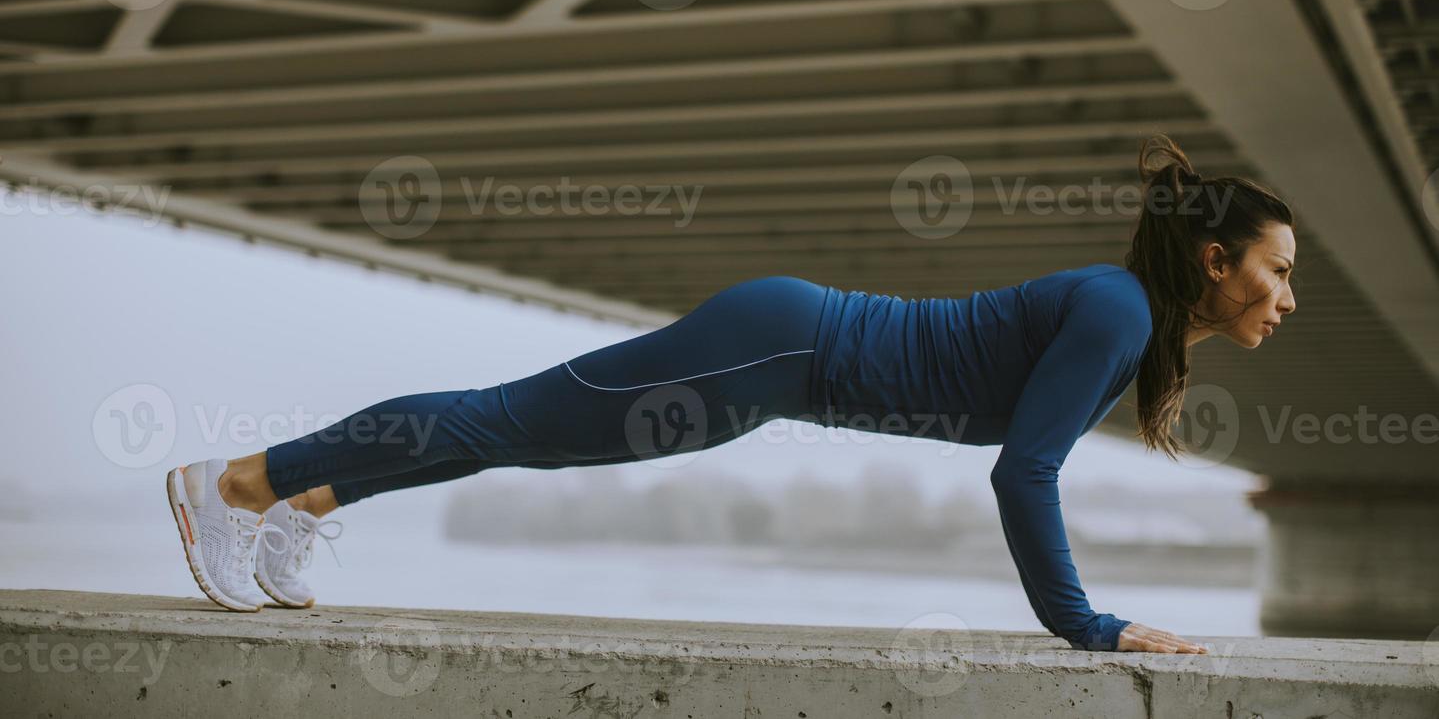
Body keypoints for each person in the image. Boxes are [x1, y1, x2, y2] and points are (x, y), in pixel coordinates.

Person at [165, 133, 1296, 654]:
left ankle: (300, 504)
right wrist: (1085, 628)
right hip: (774, 350)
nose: (1284, 295)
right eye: (1277, 269)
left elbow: (1022, 455)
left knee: (522, 437)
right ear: (1214, 259)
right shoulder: (1116, 310)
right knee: (507, 416)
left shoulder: (1124, 316)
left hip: (774, 367)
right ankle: (232, 481)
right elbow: (1024, 471)